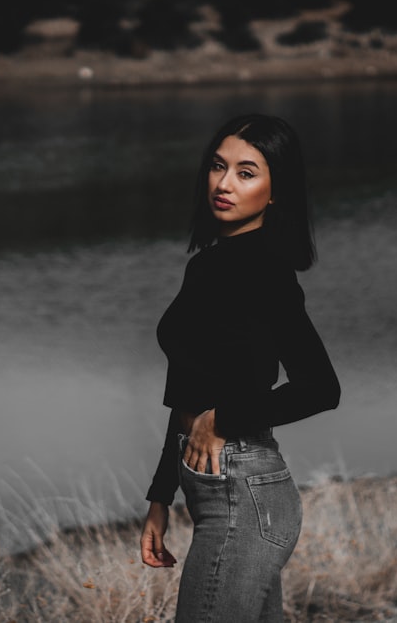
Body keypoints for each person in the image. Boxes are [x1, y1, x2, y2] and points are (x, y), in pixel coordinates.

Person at [139, 113, 341, 622]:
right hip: (215, 493)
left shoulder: (266, 270)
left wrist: (224, 418)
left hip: (243, 496)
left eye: (246, 172)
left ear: (276, 192)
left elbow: (320, 387)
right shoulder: (207, 264)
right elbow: (187, 388)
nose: (224, 184)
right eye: (217, 167)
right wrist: (161, 496)